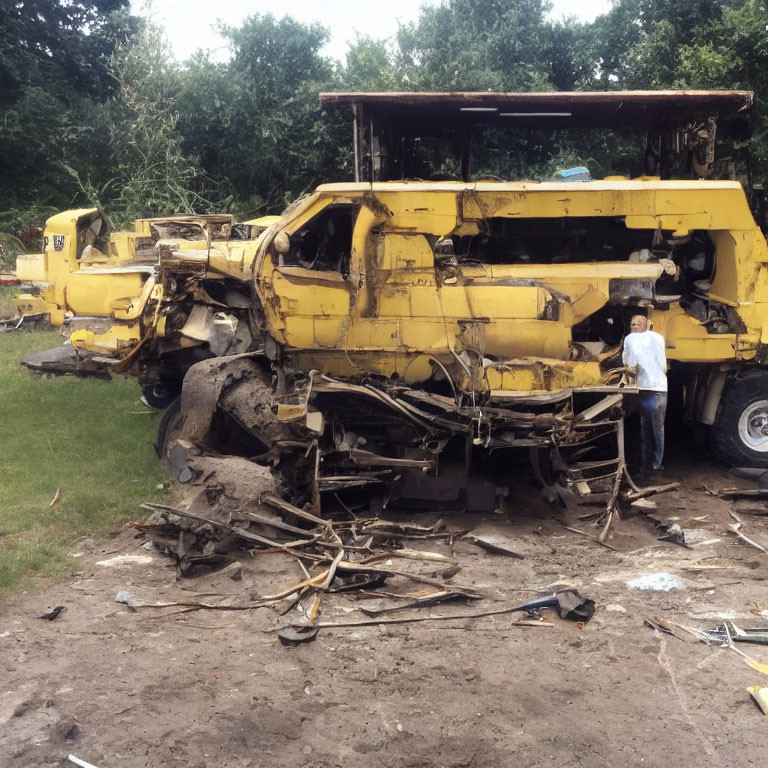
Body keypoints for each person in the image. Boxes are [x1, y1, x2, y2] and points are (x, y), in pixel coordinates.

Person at [622, 314, 667, 472]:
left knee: (651, 428)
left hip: (653, 389)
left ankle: (652, 462)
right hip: (651, 389)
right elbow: (662, 364)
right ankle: (652, 462)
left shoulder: (631, 339)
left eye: (638, 323)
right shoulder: (656, 338)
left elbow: (628, 362)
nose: (634, 326)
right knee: (652, 428)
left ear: (646, 325)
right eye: (632, 324)